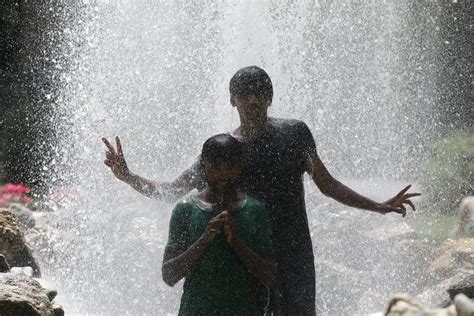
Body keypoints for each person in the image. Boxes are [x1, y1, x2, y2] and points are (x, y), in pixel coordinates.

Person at [103, 66, 420, 315]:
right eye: (244, 94)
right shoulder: (223, 151)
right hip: (245, 256)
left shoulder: (294, 134)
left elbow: (327, 184)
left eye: (259, 93)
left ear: (270, 98)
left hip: (293, 253)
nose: (252, 100)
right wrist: (128, 176)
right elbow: (173, 190)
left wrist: (378, 205)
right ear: (233, 100)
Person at [161, 134, 273, 315]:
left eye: (230, 166)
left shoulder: (254, 210)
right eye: (215, 166)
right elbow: (169, 275)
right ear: (203, 165)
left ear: (239, 166)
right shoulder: (185, 210)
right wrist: (204, 240)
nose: (223, 173)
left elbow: (269, 274)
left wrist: (236, 242)